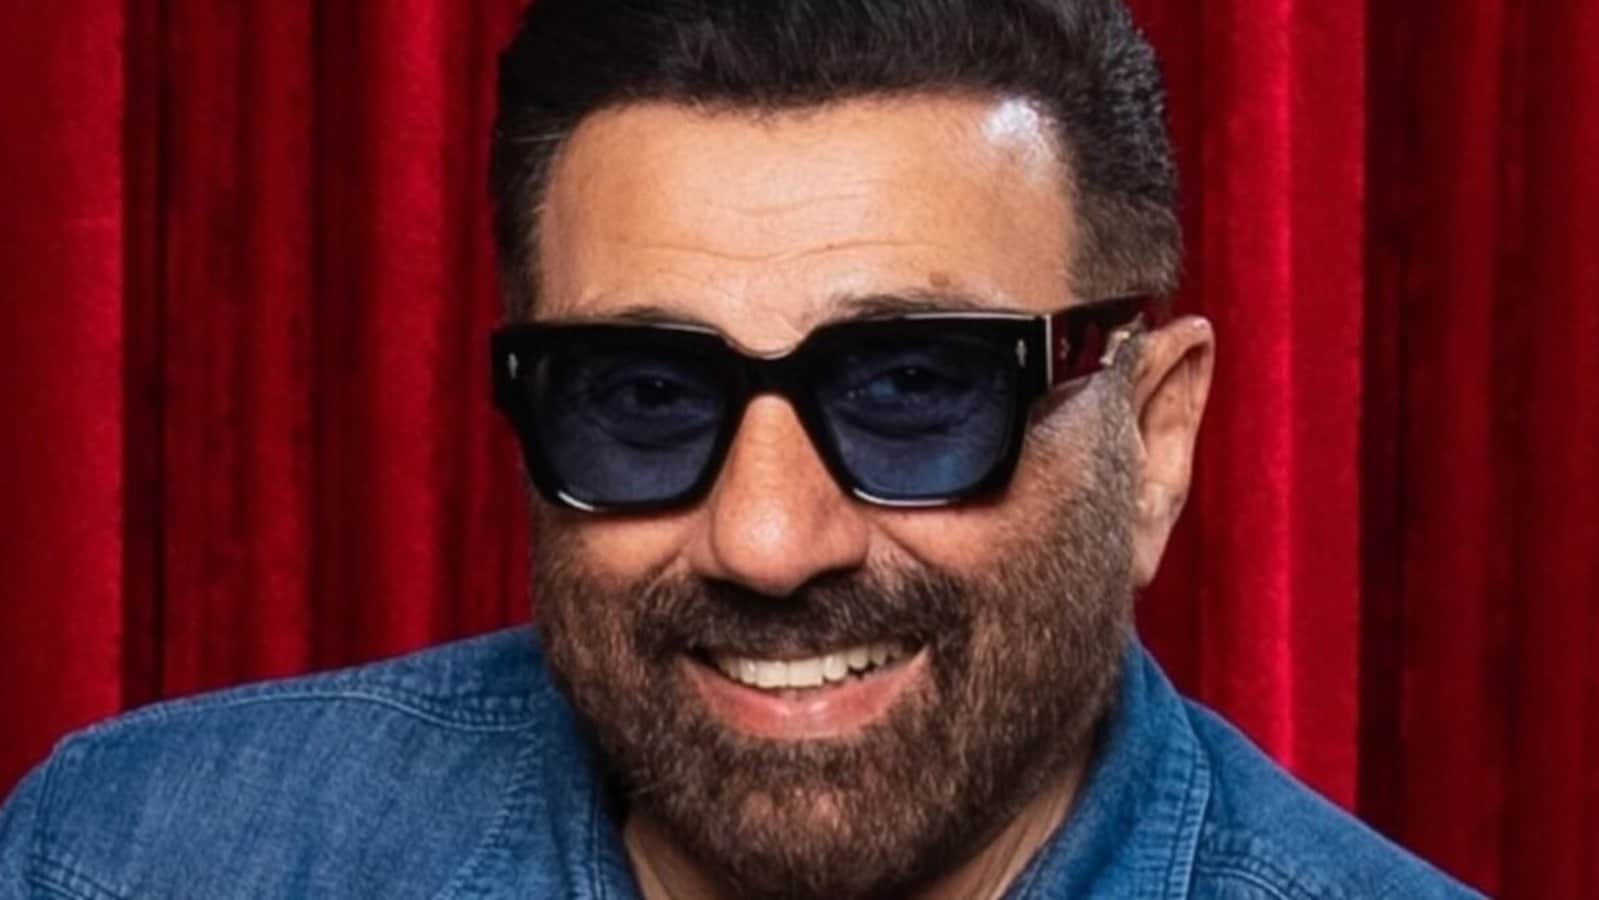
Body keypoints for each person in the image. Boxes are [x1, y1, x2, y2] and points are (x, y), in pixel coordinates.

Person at [0, 2, 1480, 898]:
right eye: (647, 393)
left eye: (914, 386)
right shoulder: (129, 864)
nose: (768, 540)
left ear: (1155, 442)